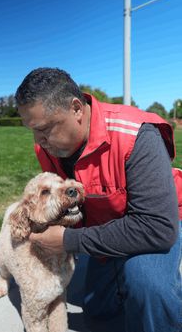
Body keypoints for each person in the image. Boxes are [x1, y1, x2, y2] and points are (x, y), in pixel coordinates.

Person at [15, 67, 182, 332]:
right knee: (98, 309)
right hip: (107, 222)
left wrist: (67, 241)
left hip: (156, 221)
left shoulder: (137, 134)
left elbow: (158, 229)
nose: (39, 141)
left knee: (147, 286)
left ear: (77, 109)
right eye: (32, 130)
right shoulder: (47, 146)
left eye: (45, 129)